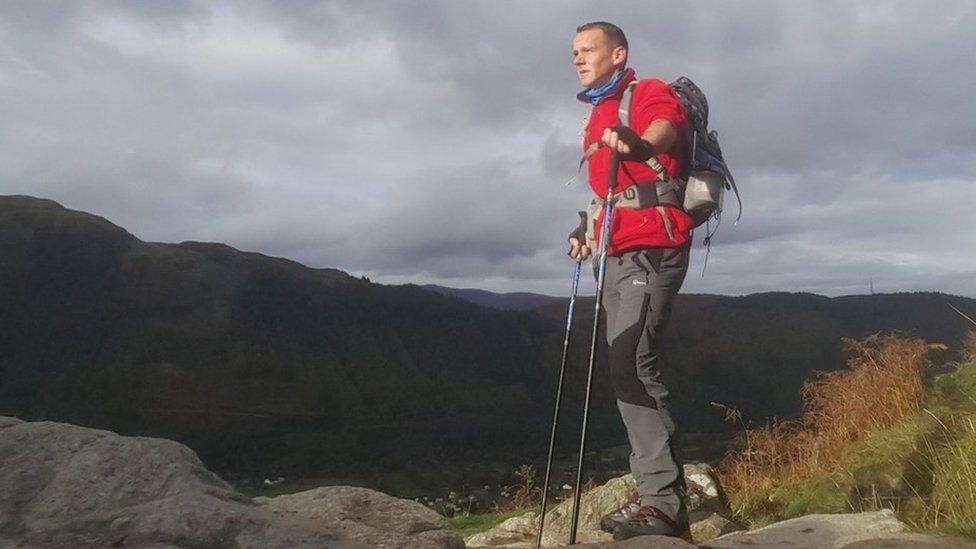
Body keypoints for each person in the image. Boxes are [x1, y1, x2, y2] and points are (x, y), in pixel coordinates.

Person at [567, 21, 693, 541]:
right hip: (615, 251)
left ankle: (663, 504)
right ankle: (654, 495)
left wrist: (641, 146)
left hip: (652, 248)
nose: (577, 58)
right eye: (573, 52)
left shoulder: (648, 92)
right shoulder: (597, 112)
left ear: (618, 54)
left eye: (587, 50)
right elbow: (610, 191)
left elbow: (667, 127)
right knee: (623, 370)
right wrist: (586, 228)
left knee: (632, 364)